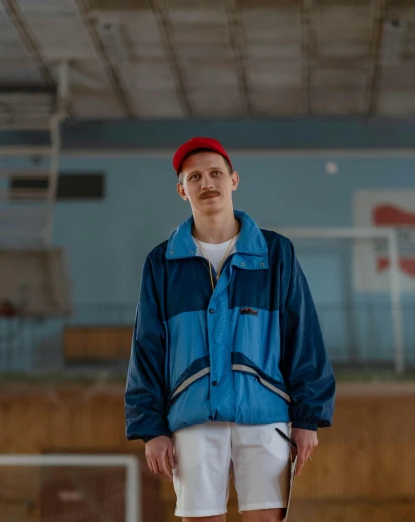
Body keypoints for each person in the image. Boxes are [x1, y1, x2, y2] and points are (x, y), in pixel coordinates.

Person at [125, 137, 335, 521]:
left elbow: (303, 337)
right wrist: (150, 427)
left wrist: (308, 418)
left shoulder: (276, 253)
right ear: (181, 189)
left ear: (233, 180)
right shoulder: (161, 263)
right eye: (195, 177)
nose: (207, 183)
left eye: (216, 173)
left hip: (267, 414)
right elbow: (146, 349)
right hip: (192, 416)